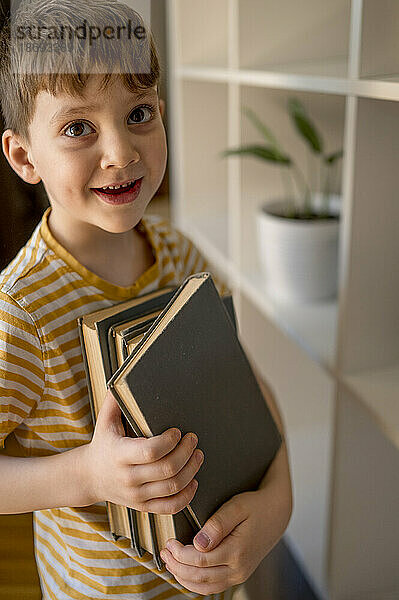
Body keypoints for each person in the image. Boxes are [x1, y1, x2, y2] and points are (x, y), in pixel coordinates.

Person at [0, 1, 293, 598]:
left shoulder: (181, 254)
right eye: (78, 128)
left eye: (139, 113)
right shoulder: (21, 310)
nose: (121, 153)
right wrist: (87, 473)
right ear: (25, 157)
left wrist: (277, 505)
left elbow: (252, 393)